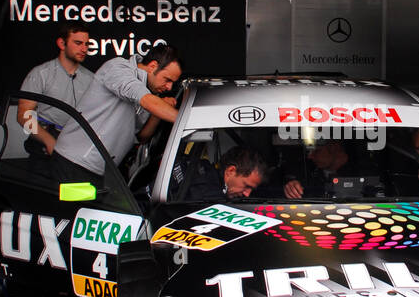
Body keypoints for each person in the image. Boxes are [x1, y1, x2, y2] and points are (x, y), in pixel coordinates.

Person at [51, 44, 183, 184]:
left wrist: (158, 114)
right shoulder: (118, 68)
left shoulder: (150, 92)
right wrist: (188, 121)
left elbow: (142, 136)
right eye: (167, 79)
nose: (169, 87)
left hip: (103, 170)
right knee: (73, 206)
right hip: (75, 163)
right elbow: (145, 100)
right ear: (152, 66)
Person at [17, 24, 95, 159]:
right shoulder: (41, 74)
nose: (84, 49)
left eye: (87, 44)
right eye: (78, 43)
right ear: (61, 43)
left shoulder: (91, 79)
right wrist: (49, 141)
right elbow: (23, 115)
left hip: (77, 146)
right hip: (45, 145)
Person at [173, 146, 268, 201]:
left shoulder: (203, 168)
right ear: (230, 171)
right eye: (246, 186)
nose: (247, 194)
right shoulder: (208, 198)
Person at [282, 140, 369, 199]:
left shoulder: (363, 171)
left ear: (334, 147)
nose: (310, 156)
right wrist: (291, 187)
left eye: (317, 151)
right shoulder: (307, 171)